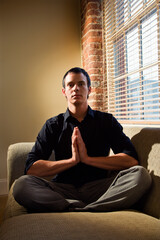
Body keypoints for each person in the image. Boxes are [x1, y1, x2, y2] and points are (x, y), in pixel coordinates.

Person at [13, 67, 151, 213]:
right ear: (64, 92)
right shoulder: (53, 125)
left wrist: (87, 159)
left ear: (89, 89)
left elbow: (131, 160)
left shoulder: (106, 121)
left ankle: (84, 208)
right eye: (70, 85)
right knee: (21, 185)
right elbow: (31, 168)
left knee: (141, 175)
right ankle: (79, 206)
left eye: (81, 84)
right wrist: (72, 161)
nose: (76, 89)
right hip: (62, 189)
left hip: (100, 188)